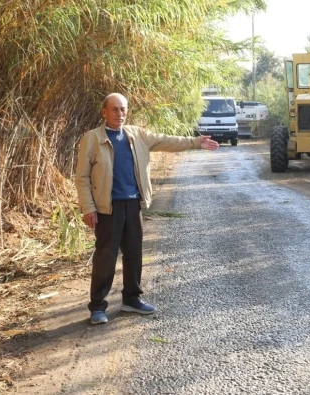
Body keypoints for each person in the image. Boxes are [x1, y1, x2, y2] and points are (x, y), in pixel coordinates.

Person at [75, 93, 219, 325]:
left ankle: (131, 299)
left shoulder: (137, 135)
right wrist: (87, 208)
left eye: (123, 109)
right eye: (114, 109)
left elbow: (167, 141)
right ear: (104, 112)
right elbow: (81, 177)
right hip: (107, 209)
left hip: (133, 205)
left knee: (134, 254)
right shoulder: (92, 139)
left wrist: (195, 142)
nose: (119, 114)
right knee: (105, 257)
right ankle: (98, 307)